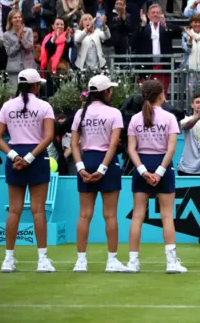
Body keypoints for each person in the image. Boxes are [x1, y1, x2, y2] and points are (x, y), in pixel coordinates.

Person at [0, 69, 56, 272]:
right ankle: (42, 260)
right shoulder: (44, 106)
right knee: (38, 211)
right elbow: (48, 137)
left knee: (14, 210)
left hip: (16, 155)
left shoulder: (7, 106)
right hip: (36, 156)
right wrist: (29, 158)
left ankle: (8, 259)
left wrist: (13, 156)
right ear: (36, 86)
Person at [126, 80, 184, 273]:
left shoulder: (135, 118)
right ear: (161, 95)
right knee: (167, 216)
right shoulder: (169, 117)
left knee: (137, 216)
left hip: (142, 165)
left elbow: (131, 149)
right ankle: (171, 263)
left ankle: (133, 263)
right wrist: (159, 172)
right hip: (163, 166)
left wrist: (143, 171)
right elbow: (171, 148)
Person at [70, 75, 126, 273]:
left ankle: (81, 262)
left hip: (87, 161)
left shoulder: (80, 113)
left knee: (84, 215)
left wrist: (80, 168)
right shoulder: (114, 113)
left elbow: (73, 144)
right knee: (110, 215)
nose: (112, 92)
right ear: (105, 92)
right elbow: (113, 145)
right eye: (110, 89)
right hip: (107, 163)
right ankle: (111, 261)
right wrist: (103, 168)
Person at [3, 10, 35, 86]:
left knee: (29, 92)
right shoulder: (6, 35)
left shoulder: (28, 31)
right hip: (14, 69)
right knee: (14, 92)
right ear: (10, 20)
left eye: (19, 17)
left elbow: (29, 48)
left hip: (28, 67)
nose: (18, 19)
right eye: (15, 17)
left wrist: (22, 39)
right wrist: (18, 42)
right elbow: (9, 53)